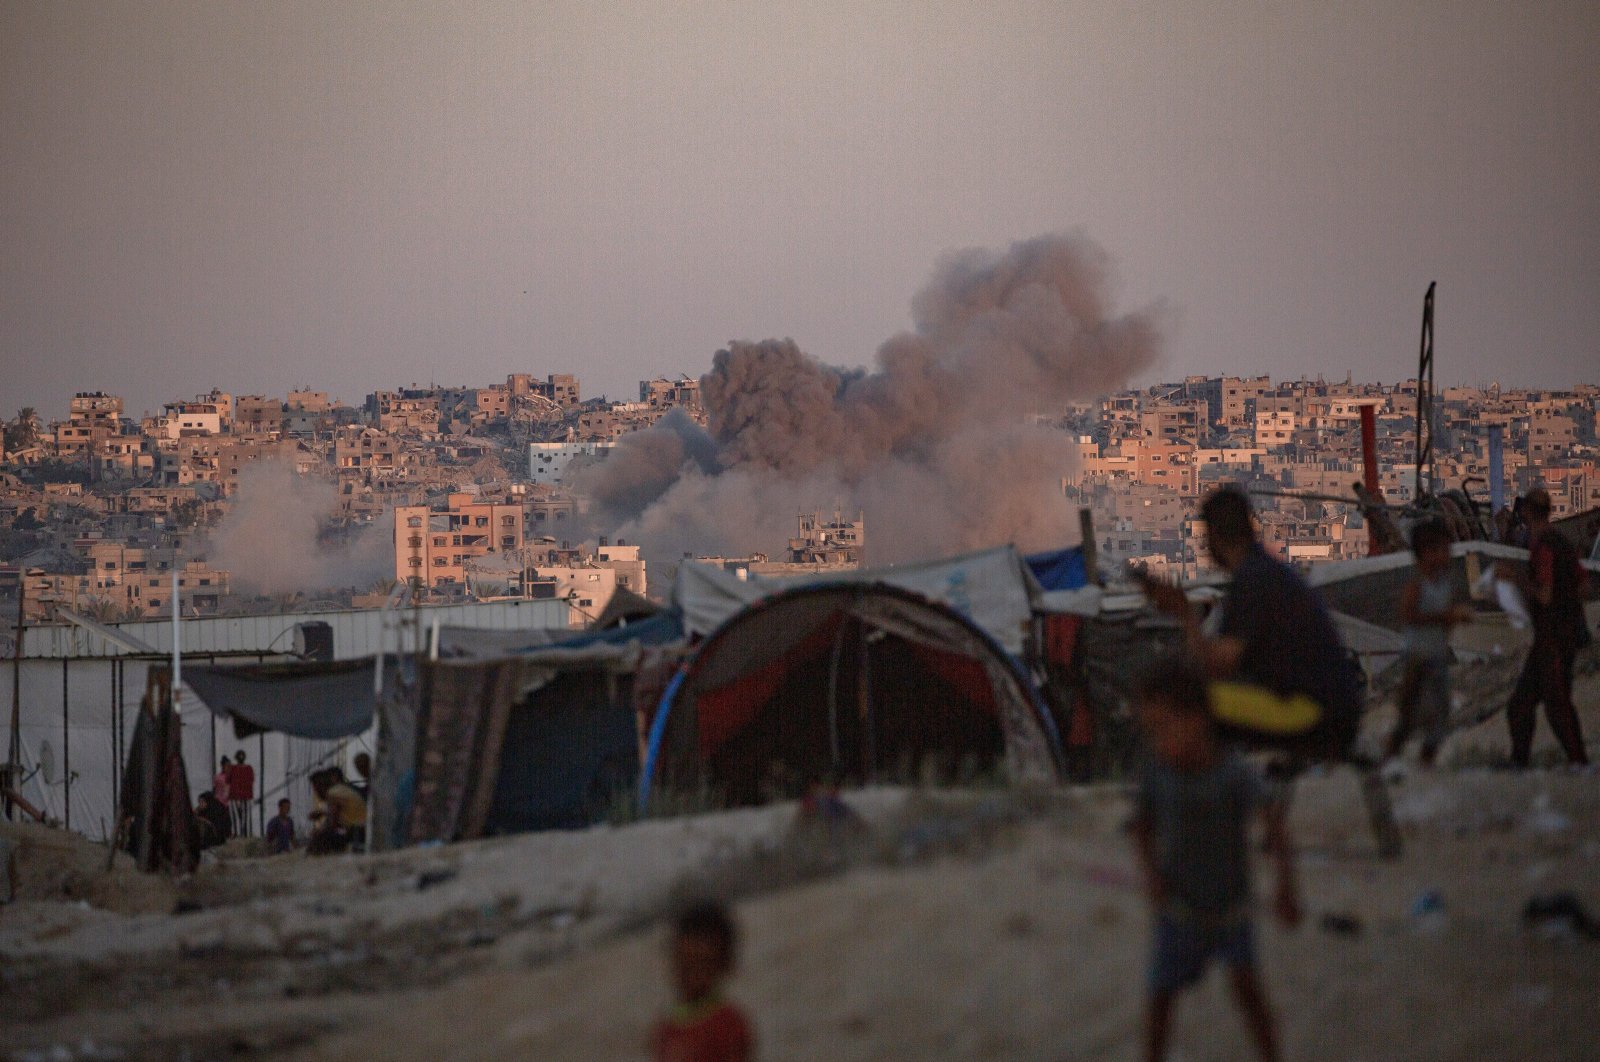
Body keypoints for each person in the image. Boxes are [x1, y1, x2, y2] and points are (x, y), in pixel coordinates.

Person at [1131, 655, 1300, 1062]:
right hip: (1179, 910)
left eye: (1163, 728)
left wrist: (1285, 887)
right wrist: (1151, 875)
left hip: (1230, 911)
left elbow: (1274, 826)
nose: (1157, 742)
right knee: (1161, 1002)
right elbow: (1142, 826)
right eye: (1150, 732)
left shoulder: (1233, 774)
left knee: (1247, 992)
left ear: (1197, 720)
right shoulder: (1158, 772)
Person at [1139, 487, 1361, 756]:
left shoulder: (1253, 580)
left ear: (1212, 537)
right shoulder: (1264, 572)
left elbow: (1217, 666)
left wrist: (1184, 614)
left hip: (1315, 714)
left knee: (1187, 704)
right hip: (1329, 708)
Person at [1506, 489, 1591, 767]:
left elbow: (1544, 595)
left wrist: (1517, 581)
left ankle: (1578, 762)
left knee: (1553, 706)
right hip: (1561, 635)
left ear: (1527, 512)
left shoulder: (1543, 547)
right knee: (1525, 704)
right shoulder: (1561, 543)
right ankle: (1523, 764)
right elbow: (1583, 584)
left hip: (1552, 638)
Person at [1386, 520, 1475, 766]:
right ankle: (1392, 759)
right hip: (1417, 659)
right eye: (1442, 550)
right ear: (1426, 553)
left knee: (1439, 714)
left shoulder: (1444, 583)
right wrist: (1446, 617)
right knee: (1411, 715)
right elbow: (1408, 616)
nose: (1447, 556)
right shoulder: (1417, 585)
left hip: (1435, 657)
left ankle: (1426, 761)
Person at [651, 900, 753, 1062]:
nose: (692, 977)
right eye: (685, 965)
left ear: (724, 964)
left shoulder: (729, 1024)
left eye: (703, 964)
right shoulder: (664, 1029)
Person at [307, 768, 367, 855]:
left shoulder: (333, 794)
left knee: (319, 839)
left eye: (315, 789)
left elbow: (332, 824)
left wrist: (318, 833)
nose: (316, 793)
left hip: (358, 832)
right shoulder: (340, 789)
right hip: (362, 829)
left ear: (320, 787)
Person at [226, 750, 255, 837]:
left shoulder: (232, 768)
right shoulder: (249, 768)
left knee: (236, 819)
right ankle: (245, 836)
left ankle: (238, 836)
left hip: (235, 796)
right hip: (244, 796)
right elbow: (251, 781)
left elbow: (228, 780)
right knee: (245, 819)